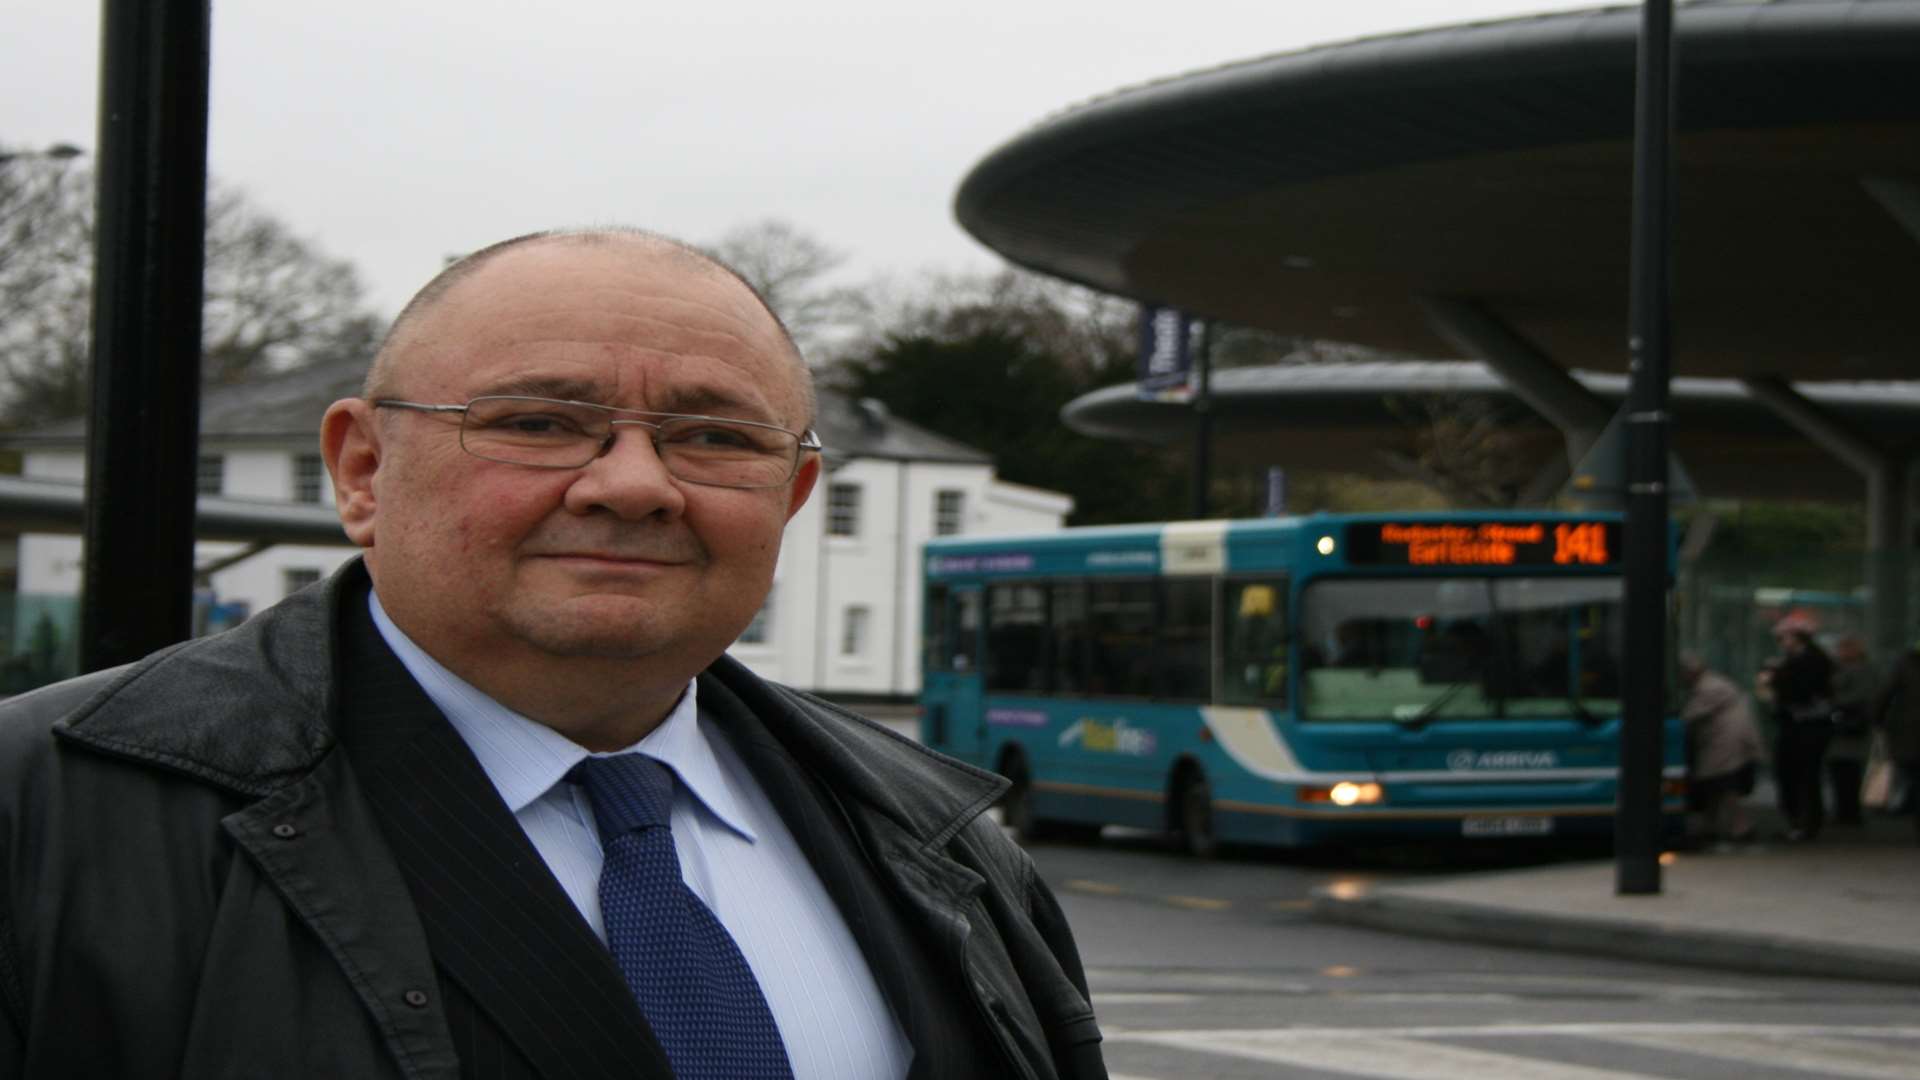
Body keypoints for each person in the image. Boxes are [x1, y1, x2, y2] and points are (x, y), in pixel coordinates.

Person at [0, 229, 1108, 1079]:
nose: (632, 484)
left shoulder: (946, 842)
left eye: (716, 438)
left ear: (794, 495)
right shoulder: (46, 811)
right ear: (363, 469)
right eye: (538, 421)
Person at [1760, 614, 1836, 841]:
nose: (1782, 642)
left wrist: (1775, 680)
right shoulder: (1803, 660)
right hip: (1802, 724)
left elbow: (1800, 692)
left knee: (1800, 775)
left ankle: (1804, 822)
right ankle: (1802, 822)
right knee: (1800, 776)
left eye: (1785, 637)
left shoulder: (1809, 661)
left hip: (1805, 725)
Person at [1679, 654, 1763, 847]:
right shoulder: (1712, 684)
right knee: (1716, 788)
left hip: (1724, 746)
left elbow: (1689, 716)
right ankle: (1716, 826)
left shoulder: (1711, 688)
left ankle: (1739, 827)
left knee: (1724, 787)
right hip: (1723, 744)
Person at [1872, 641, 1920, 842]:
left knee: (1915, 777)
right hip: (1911, 729)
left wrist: (1877, 719)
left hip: (1911, 730)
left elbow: (1885, 692)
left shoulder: (1907, 661)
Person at [1826, 634, 1874, 826]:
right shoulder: (1840, 669)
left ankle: (1849, 812)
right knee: (1841, 772)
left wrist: (1834, 702)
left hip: (1852, 725)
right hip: (1842, 727)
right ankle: (1845, 811)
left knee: (1849, 773)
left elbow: (1862, 695)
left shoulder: (1862, 671)